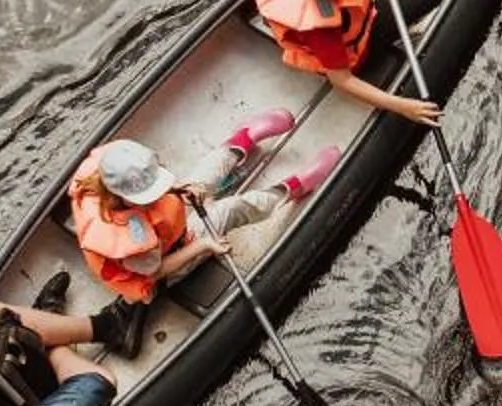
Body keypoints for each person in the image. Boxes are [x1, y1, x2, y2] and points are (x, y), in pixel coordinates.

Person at [66, 126, 337, 359]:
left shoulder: (107, 172)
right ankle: (288, 189)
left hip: (164, 228)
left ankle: (238, 144)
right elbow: (157, 270)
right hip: (167, 261)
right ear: (126, 197)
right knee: (229, 210)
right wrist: (203, 245)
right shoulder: (132, 239)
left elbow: (154, 194)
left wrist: (175, 190)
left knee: (198, 181)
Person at [245, 0, 447, 128]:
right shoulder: (319, 26)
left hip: (356, 12)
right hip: (352, 47)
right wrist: (403, 107)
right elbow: (342, 80)